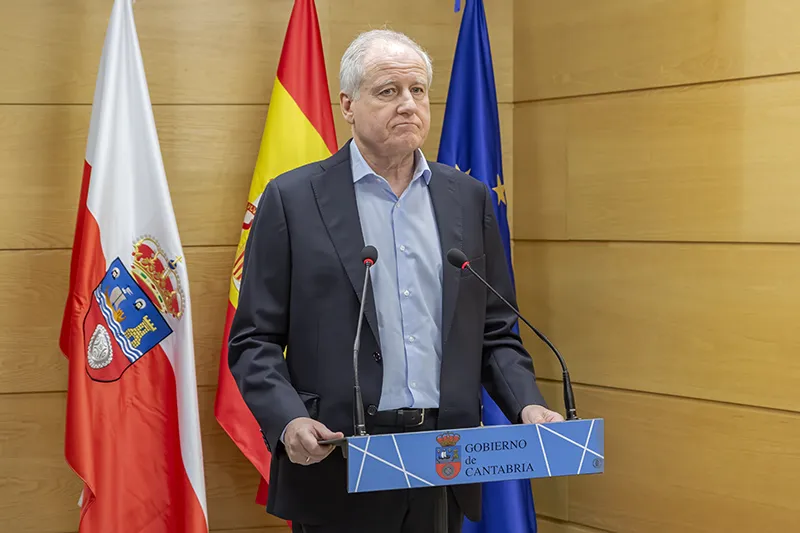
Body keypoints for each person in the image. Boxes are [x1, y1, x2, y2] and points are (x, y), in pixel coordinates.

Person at [227, 29, 563, 533]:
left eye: (419, 91)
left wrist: (528, 403)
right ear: (348, 105)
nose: (408, 105)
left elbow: (495, 331)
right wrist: (288, 419)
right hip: (339, 458)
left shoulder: (467, 199)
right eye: (388, 91)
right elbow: (254, 338)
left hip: (444, 459)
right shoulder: (294, 199)